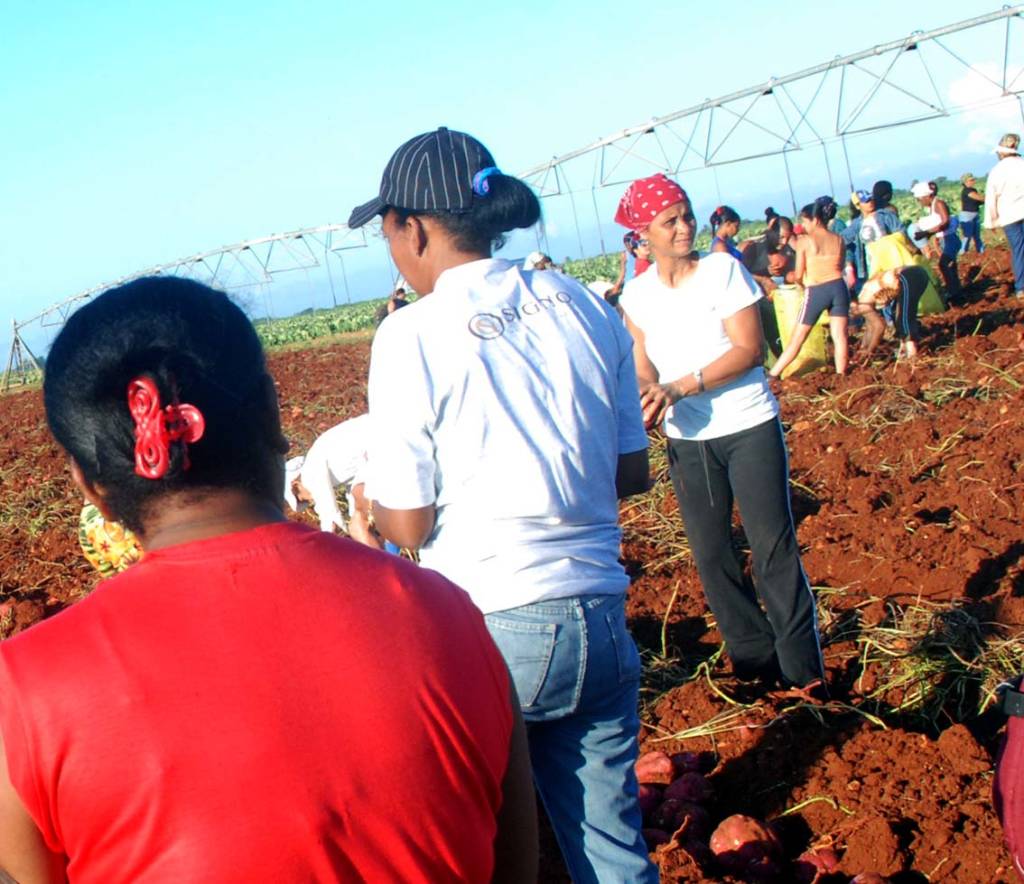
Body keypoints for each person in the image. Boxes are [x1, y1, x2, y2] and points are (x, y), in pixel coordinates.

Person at [0, 277, 537, 883]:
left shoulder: (25, 693)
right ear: (272, 419)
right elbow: (514, 865)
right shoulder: (446, 613)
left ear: (88, 483)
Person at [348, 127, 656, 883]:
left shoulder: (410, 334)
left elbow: (411, 524)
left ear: (412, 227)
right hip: (602, 615)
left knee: (472, 852)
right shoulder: (582, 302)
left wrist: (372, 505)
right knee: (612, 853)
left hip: (493, 626)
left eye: (388, 231)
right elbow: (630, 472)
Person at [615, 173, 825, 700]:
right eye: (671, 221)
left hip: (747, 425)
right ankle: (755, 664)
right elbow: (641, 365)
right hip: (690, 439)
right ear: (645, 233)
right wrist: (649, 393)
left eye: (687, 216)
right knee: (712, 555)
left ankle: (804, 672)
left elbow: (748, 350)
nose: (684, 227)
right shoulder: (637, 296)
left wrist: (679, 388)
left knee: (771, 547)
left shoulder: (723, 271)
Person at [769, 197, 849, 378]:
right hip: (838, 287)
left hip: (817, 289)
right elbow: (841, 265)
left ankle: (773, 375)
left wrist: (801, 285)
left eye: (805, 221)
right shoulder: (838, 239)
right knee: (840, 337)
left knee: (798, 338)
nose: (803, 225)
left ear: (815, 219)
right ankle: (841, 375)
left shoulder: (806, 241)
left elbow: (798, 274)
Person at [283, 413, 382, 548]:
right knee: (368, 522)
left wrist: (328, 542)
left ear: (295, 485)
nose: (309, 501)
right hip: (379, 444)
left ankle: (386, 567)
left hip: (380, 444)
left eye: (302, 499)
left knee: (358, 528)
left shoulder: (309, 474)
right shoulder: (329, 466)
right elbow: (353, 491)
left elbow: (328, 512)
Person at [852, 264, 931, 361]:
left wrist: (869, 351)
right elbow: (869, 328)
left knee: (904, 317)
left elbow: (879, 327)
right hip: (915, 273)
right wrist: (863, 348)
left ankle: (912, 354)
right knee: (898, 314)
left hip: (908, 276)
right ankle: (904, 349)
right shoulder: (863, 300)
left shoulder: (863, 305)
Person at [985, 133, 1024, 300]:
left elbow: (991, 199)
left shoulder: (996, 171)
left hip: (1010, 216)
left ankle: (1021, 288)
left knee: (1019, 250)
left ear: (1001, 153)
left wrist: (992, 222)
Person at [911, 180, 962, 300]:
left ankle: (953, 291)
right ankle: (956, 290)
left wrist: (927, 232)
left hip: (950, 239)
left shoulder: (938, 204)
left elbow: (945, 221)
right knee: (950, 265)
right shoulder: (933, 205)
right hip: (945, 239)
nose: (920, 202)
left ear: (927, 196)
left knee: (943, 264)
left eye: (920, 199)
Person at [959, 173, 986, 254]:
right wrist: (990, 197)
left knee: (977, 235)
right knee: (967, 236)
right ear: (965, 182)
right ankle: (963, 252)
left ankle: (981, 251)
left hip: (975, 214)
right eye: (971, 180)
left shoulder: (973, 190)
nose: (973, 181)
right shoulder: (966, 191)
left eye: (973, 180)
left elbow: (978, 201)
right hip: (967, 216)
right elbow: (979, 198)